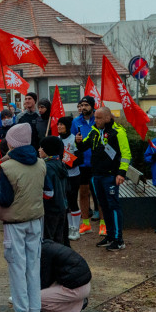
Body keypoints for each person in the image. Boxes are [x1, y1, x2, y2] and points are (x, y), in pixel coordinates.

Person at [0, 123, 47, 312]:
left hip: (15, 222)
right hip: (36, 220)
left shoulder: (6, 167)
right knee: (33, 267)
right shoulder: (41, 163)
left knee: (17, 267)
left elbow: (5, 199)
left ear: (11, 143)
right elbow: (47, 191)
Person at [76, 107, 131, 251]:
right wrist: (78, 142)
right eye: (95, 117)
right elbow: (83, 147)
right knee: (103, 206)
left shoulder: (118, 132)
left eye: (99, 118)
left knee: (113, 206)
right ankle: (110, 236)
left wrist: (121, 173)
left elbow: (126, 154)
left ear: (108, 118)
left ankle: (119, 240)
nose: (96, 120)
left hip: (111, 176)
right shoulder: (94, 131)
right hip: (96, 175)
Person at [40, 238, 92, 312]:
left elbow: (45, 280)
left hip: (76, 289)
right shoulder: (48, 246)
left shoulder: (44, 253)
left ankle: (75, 307)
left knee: (35, 301)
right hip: (82, 285)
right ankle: (76, 303)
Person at [71, 97, 101, 237]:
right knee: (83, 193)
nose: (83, 107)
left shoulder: (98, 119)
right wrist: (76, 141)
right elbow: (71, 140)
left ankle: (103, 224)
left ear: (93, 106)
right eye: (82, 105)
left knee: (99, 193)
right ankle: (85, 223)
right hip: (83, 163)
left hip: (97, 162)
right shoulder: (76, 121)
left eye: (86, 105)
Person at [39, 135, 70, 246]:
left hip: (50, 209)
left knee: (48, 241)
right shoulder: (60, 164)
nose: (39, 149)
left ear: (48, 149)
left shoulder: (46, 167)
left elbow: (48, 190)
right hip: (62, 207)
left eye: (42, 147)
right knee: (59, 239)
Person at [57, 116, 83, 234]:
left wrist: (67, 163)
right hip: (61, 176)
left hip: (73, 176)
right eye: (58, 124)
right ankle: (68, 227)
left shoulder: (74, 139)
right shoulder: (56, 140)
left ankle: (75, 228)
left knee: (73, 202)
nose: (59, 126)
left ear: (67, 126)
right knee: (65, 203)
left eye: (62, 124)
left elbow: (80, 159)